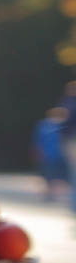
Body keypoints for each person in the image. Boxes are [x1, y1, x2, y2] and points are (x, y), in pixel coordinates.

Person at [32, 108, 69, 202]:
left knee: (60, 175)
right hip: (47, 155)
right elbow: (37, 139)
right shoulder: (43, 125)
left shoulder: (65, 125)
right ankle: (49, 193)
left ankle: (55, 193)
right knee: (47, 175)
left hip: (60, 155)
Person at [61, 81, 76, 212]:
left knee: (74, 173)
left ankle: (74, 204)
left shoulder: (70, 103)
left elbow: (66, 120)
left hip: (73, 139)